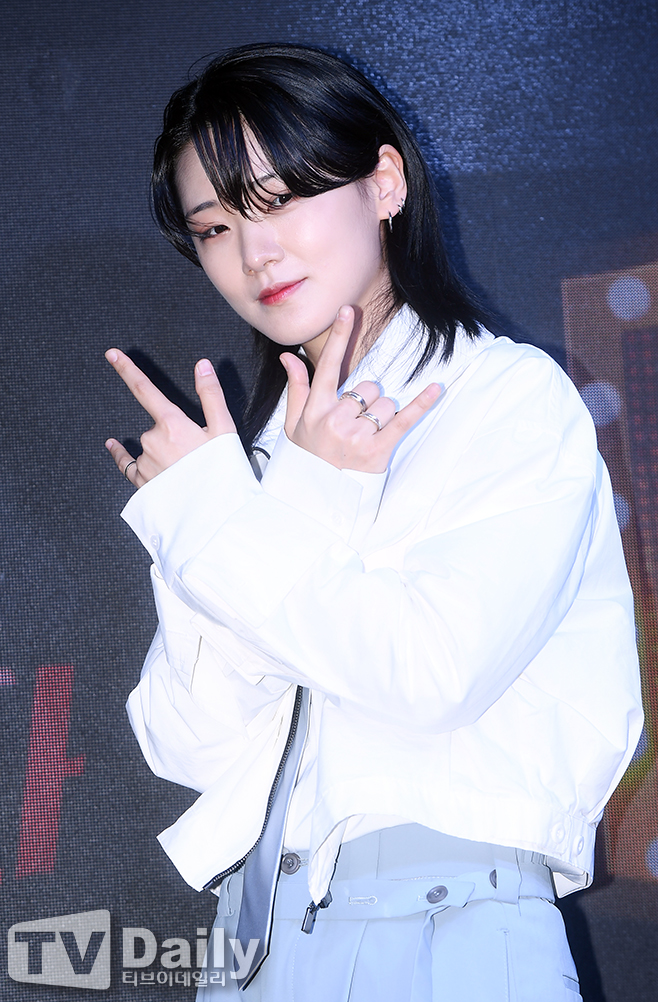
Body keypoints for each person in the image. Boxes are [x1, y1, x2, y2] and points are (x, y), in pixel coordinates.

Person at [104, 43, 642, 1001]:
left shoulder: (506, 397)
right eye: (217, 227)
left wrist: (227, 527)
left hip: (448, 922)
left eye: (279, 200)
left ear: (384, 182)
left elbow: (432, 674)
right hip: (251, 944)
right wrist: (262, 501)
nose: (255, 253)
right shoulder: (253, 468)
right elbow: (184, 743)